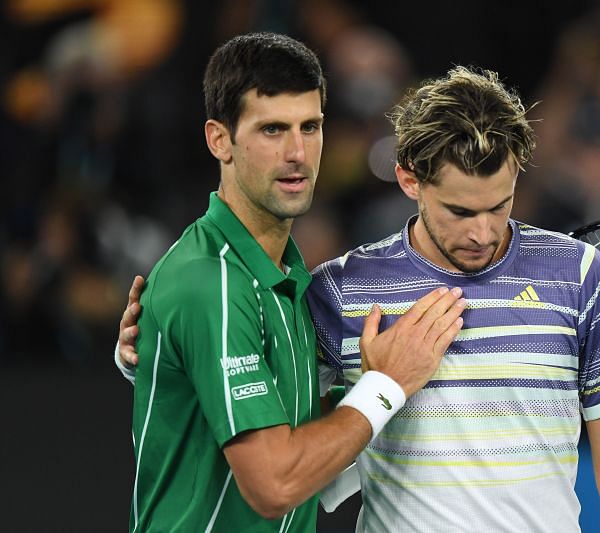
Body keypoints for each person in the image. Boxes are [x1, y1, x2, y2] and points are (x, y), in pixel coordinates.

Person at [119, 64, 600, 531]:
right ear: (409, 180)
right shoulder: (338, 291)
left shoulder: (580, 273)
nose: (483, 232)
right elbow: (260, 411)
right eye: (460, 212)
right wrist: (152, 352)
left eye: (500, 205)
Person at [116, 32, 466, 532]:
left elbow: (313, 469)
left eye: (311, 126)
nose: (298, 153)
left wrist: (369, 395)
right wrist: (386, 386)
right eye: (273, 129)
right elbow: (275, 485)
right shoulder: (211, 284)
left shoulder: (283, 279)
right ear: (220, 139)